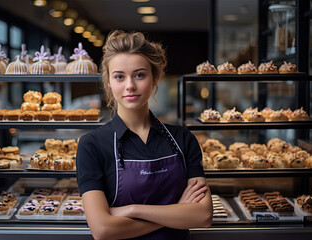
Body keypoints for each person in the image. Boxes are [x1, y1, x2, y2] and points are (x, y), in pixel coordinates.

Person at [76, 30, 213, 240]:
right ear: (109, 83)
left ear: (155, 77)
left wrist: (132, 210)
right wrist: (177, 211)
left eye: (139, 75)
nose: (130, 85)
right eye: (119, 77)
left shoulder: (184, 139)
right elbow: (102, 229)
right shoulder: (92, 145)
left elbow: (203, 216)